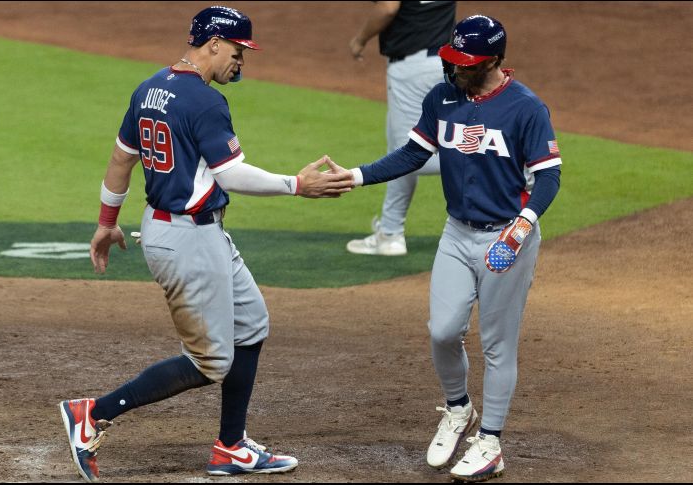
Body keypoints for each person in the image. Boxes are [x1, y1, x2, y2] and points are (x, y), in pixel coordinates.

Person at [57, 6, 353, 482]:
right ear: (213, 43)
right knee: (211, 361)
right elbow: (229, 172)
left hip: (185, 230)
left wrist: (107, 221)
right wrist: (297, 185)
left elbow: (120, 157)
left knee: (251, 322)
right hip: (185, 238)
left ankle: (231, 448)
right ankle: (94, 413)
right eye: (238, 52)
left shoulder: (149, 88)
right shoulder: (205, 100)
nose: (242, 62)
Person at [339, 15, 562, 481]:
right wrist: (355, 176)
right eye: (454, 61)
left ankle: (492, 442)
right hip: (457, 235)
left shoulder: (526, 108)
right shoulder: (442, 98)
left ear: (495, 61)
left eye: (467, 65)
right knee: (442, 330)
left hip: (507, 237)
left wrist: (520, 229)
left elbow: (549, 176)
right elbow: (412, 153)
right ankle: (458, 409)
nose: (456, 71)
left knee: (498, 346)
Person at [346, 0, 455, 256]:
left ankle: (492, 157)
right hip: (445, 61)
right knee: (400, 147)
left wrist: (360, 39)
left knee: (410, 153)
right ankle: (391, 232)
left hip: (411, 67)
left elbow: (388, 7)